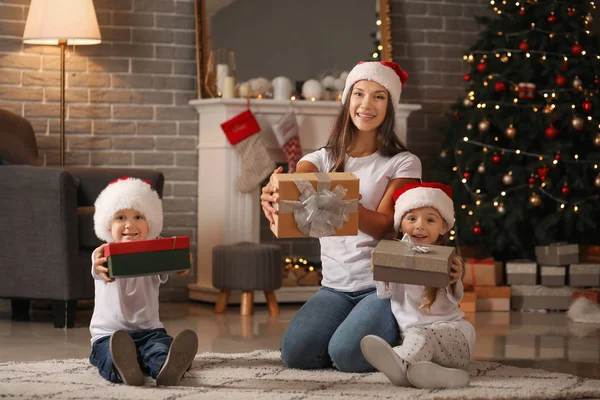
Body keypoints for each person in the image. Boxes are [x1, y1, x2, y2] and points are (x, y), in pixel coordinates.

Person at [261, 61, 422, 372]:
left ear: (390, 107)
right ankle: (358, 337)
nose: (366, 104)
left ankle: (399, 336)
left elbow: (384, 225)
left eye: (379, 96)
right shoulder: (320, 158)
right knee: (295, 354)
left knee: (347, 354)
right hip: (334, 288)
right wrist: (274, 192)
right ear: (348, 99)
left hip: (382, 287)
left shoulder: (403, 163)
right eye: (359, 93)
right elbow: (298, 186)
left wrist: (334, 197)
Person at [360, 182, 475, 389]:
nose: (419, 226)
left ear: (443, 227)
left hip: (455, 338)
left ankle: (399, 360)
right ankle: (436, 376)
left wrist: (454, 278)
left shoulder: (448, 260)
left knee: (419, 335)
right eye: (412, 219)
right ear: (401, 224)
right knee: (415, 338)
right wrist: (378, 268)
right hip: (421, 347)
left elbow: (455, 295)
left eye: (430, 220)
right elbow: (385, 294)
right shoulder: (396, 257)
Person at [89, 176, 198, 386]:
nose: (130, 224)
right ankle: (126, 367)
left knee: (160, 351)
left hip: (150, 332)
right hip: (109, 336)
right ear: (108, 225)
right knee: (110, 358)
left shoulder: (155, 253)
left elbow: (176, 262)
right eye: (120, 217)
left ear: (151, 223)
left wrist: (183, 262)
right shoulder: (103, 252)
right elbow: (98, 264)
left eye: (138, 217)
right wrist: (99, 264)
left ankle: (165, 366)